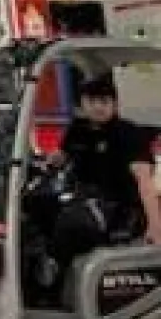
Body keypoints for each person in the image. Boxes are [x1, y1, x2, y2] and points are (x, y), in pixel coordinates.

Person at [50, 75, 161, 267]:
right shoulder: (77, 130)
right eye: (91, 101)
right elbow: (61, 158)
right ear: (82, 104)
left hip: (118, 206)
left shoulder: (128, 134)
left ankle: (54, 275)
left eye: (104, 101)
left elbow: (144, 181)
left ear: (115, 104)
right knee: (36, 208)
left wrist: (155, 225)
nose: (98, 107)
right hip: (82, 197)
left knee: (71, 225)